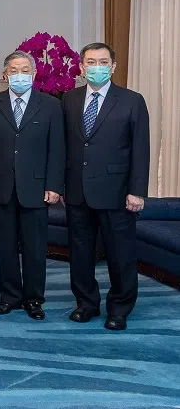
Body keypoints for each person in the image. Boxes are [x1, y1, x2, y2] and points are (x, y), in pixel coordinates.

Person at [62, 42, 149, 330]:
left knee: (120, 254)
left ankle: (119, 308)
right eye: (90, 62)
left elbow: (140, 149)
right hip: (77, 190)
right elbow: (64, 146)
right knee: (81, 252)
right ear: (81, 67)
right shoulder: (69, 99)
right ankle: (86, 304)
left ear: (113, 66)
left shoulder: (131, 100)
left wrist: (137, 191)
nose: (96, 67)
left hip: (117, 192)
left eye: (102, 62)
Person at [0, 50, 65, 321]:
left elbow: (57, 150)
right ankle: (10, 297)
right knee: (6, 246)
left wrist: (54, 185)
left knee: (35, 248)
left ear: (34, 74)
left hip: (37, 188)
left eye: (25, 69)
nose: (19, 74)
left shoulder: (50, 105)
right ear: (5, 75)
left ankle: (34, 299)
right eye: (14, 70)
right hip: (1, 186)